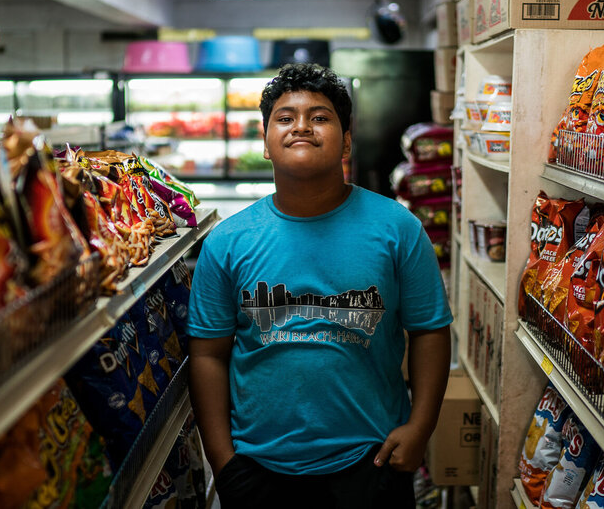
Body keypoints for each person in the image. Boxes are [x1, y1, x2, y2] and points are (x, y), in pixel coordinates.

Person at [187, 63, 452, 509]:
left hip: (372, 463)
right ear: (266, 141)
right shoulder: (228, 242)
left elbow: (429, 331)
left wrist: (420, 428)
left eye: (321, 117)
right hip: (257, 469)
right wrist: (223, 461)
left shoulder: (397, 228)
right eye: (285, 118)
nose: (302, 127)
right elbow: (209, 354)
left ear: (346, 140)